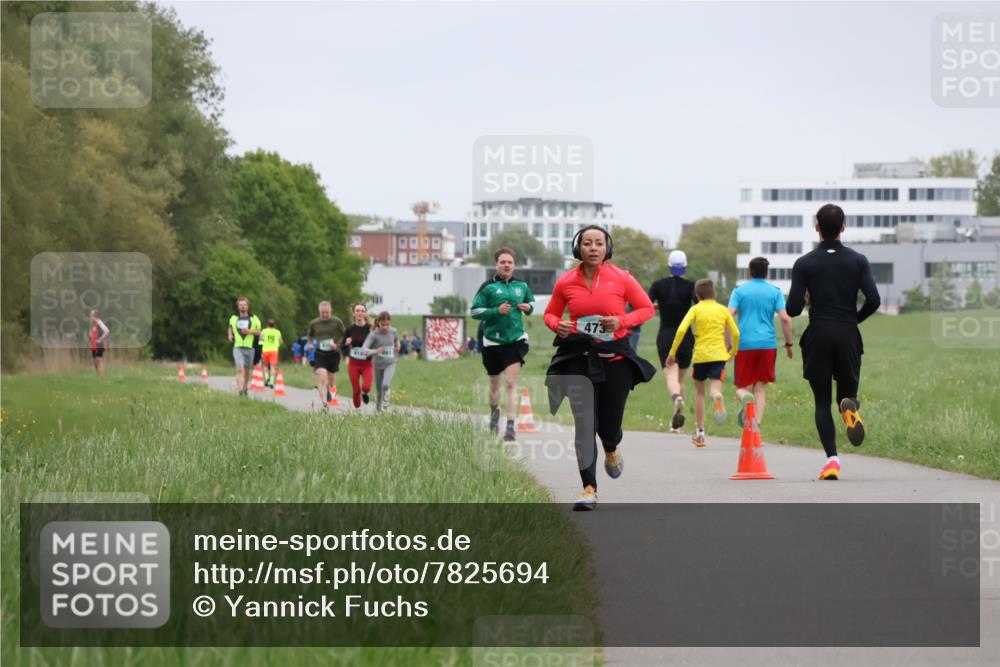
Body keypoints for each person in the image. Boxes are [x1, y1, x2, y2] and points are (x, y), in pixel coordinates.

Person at [543, 225, 656, 511]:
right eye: (587, 243)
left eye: (598, 243)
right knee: (585, 425)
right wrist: (558, 325)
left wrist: (622, 321)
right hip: (578, 358)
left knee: (609, 427)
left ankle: (611, 447)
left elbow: (647, 309)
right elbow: (550, 314)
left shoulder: (622, 278)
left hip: (615, 359)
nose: (593, 248)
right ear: (578, 248)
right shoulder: (565, 281)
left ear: (607, 248)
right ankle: (589, 489)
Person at [786, 203, 880, 481]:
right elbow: (874, 300)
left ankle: (832, 461)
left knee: (821, 401)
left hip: (819, 334)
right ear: (843, 228)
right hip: (847, 333)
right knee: (846, 396)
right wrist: (854, 320)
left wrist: (806, 298)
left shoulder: (804, 263)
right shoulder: (858, 261)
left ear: (817, 228)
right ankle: (849, 406)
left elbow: (792, 309)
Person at [470, 247, 536, 441]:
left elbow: (531, 303)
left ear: (514, 265)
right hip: (492, 342)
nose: (506, 265)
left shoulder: (521, 286)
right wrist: (496, 311)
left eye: (510, 262)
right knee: (495, 384)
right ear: (496, 264)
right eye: (503, 262)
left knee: (510, 382)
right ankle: (494, 413)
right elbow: (475, 311)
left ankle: (510, 427)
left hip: (515, 340)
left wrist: (528, 307)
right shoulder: (487, 287)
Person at [667, 279, 740, 447]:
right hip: (719, 356)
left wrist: (672, 352)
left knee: (700, 393)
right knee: (715, 389)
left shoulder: (695, 309)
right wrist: (733, 352)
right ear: (714, 293)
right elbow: (736, 333)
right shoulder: (723, 310)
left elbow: (681, 329)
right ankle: (717, 397)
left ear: (697, 295)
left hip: (700, 357)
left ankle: (700, 434)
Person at [728, 257, 795, 427]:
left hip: (744, 345)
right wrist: (789, 344)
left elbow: (728, 316)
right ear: (766, 273)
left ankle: (745, 397)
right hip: (767, 345)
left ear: (750, 272)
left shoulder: (739, 291)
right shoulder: (775, 292)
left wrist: (728, 343)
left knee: (742, 387)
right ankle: (755, 425)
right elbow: (785, 319)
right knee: (760, 389)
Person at [647, 250, 697, 432]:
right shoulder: (691, 286)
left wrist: (659, 306)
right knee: (681, 378)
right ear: (685, 267)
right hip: (686, 337)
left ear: (669, 266)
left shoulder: (658, 285)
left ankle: (676, 398)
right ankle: (677, 423)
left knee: (671, 375)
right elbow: (699, 306)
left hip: (666, 335)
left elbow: (645, 304)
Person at [306, 301, 346, 412]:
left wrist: (337, 344)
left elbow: (345, 335)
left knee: (332, 382)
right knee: (323, 377)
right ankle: (324, 404)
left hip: (333, 354)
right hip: (320, 353)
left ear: (331, 311)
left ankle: (330, 391)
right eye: (322, 312)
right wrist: (310, 343)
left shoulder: (337, 321)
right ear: (319, 311)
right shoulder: (314, 323)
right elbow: (310, 335)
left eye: (327, 312)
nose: (324, 315)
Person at [362, 311, 401, 412]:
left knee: (385, 385)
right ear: (378, 323)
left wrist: (398, 346)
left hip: (390, 363)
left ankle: (386, 404)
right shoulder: (373, 335)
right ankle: (378, 412)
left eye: (387, 324)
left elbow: (397, 340)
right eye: (382, 324)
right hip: (377, 365)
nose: (385, 327)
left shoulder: (393, 331)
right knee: (379, 391)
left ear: (390, 323)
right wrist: (375, 351)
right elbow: (364, 349)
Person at [227, 297, 261, 397]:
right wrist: (230, 335)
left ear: (247, 306)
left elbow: (259, 332)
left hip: (250, 348)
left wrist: (249, 331)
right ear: (238, 307)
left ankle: (245, 387)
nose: (242, 306)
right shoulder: (234, 318)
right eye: (240, 305)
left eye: (244, 305)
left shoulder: (254, 318)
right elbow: (230, 327)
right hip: (238, 347)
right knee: (239, 369)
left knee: (247, 371)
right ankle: (240, 390)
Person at [343, 303, 374, 408]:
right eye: (357, 311)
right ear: (354, 313)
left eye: (362, 311)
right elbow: (342, 344)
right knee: (356, 390)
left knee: (366, 387)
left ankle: (365, 393)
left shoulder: (371, 329)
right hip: (354, 364)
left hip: (367, 363)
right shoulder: (349, 330)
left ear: (365, 313)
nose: (360, 313)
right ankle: (357, 410)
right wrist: (346, 346)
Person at [258, 319, 283, 388]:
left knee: (265, 365)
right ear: (274, 325)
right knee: (273, 367)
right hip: (274, 351)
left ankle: (266, 378)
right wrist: (277, 344)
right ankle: (271, 381)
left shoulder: (264, 331)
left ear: (267, 324)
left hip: (265, 350)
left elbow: (260, 339)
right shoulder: (277, 332)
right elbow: (281, 342)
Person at [88, 309, 110, 377]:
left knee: (98, 359)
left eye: (91, 316)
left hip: (100, 344)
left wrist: (100, 339)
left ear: (95, 316)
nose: (90, 317)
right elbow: (93, 334)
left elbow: (107, 331)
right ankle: (98, 376)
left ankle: (101, 376)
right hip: (93, 345)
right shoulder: (93, 324)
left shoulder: (99, 322)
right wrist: (91, 337)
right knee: (95, 361)